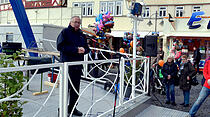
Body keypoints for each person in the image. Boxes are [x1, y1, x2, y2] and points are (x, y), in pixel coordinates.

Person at [57, 16, 90, 116]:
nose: (77, 24)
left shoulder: (81, 35)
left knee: (75, 90)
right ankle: (62, 109)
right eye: (75, 22)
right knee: (65, 89)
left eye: (79, 22)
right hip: (67, 66)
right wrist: (75, 49)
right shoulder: (65, 32)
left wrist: (84, 50)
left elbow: (87, 48)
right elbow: (60, 46)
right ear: (70, 22)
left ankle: (72, 108)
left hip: (77, 66)